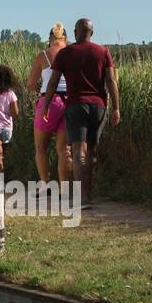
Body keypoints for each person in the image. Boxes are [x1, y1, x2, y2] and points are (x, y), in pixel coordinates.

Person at [40, 18, 120, 207]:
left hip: (75, 105)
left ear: (75, 32)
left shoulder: (65, 54)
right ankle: (88, 194)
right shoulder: (103, 52)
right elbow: (111, 81)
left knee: (78, 152)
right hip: (98, 106)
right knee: (91, 152)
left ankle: (82, 197)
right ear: (92, 33)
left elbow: (53, 82)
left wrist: (46, 105)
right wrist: (116, 108)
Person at [25, 22, 70, 184]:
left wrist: (39, 90)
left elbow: (30, 83)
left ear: (50, 39)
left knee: (40, 147)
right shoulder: (72, 54)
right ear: (65, 39)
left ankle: (45, 185)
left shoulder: (44, 55)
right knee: (64, 149)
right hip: (70, 102)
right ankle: (65, 189)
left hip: (49, 102)